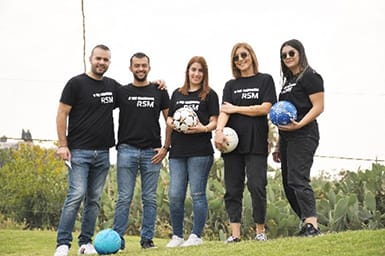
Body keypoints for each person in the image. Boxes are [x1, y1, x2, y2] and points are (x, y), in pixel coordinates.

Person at [54, 44, 121, 256]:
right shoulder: (76, 84)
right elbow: (61, 113)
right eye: (98, 58)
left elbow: (133, 92)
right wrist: (62, 144)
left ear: (109, 62)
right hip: (79, 152)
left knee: (94, 200)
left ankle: (85, 243)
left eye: (106, 60)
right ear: (90, 58)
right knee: (76, 195)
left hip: (102, 154)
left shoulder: (113, 86)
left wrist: (157, 84)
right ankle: (63, 244)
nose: (102, 63)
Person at [214, 42, 277, 243]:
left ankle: (260, 231)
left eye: (243, 55)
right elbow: (224, 111)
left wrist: (236, 109)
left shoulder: (265, 80)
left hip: (256, 142)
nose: (240, 60)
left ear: (251, 55)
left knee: (257, 186)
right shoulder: (230, 85)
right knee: (233, 189)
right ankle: (235, 235)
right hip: (231, 144)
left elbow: (265, 108)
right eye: (236, 57)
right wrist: (218, 132)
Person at [112, 52, 171, 250]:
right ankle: (117, 241)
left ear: (149, 67)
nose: (140, 69)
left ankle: (147, 240)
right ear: (131, 68)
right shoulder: (121, 92)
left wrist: (166, 147)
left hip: (151, 152)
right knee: (124, 198)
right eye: (136, 66)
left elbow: (169, 121)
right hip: (126, 151)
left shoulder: (159, 91)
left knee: (150, 198)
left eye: (144, 65)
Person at [165, 56, 219, 247]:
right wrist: (172, 123)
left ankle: (196, 235)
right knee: (175, 194)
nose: (196, 74)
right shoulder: (177, 94)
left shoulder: (209, 95)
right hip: (178, 152)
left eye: (200, 71)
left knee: (197, 193)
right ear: (187, 71)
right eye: (193, 70)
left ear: (204, 74)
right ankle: (177, 236)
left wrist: (203, 128)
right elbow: (170, 119)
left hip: (200, 151)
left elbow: (215, 121)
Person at [272, 39, 324, 236]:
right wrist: (278, 144)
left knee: (298, 178)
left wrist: (301, 123)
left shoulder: (310, 76)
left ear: (300, 53)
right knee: (287, 182)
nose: (287, 57)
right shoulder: (287, 82)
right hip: (287, 138)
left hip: (304, 134)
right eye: (284, 55)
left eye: (291, 53)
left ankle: (313, 224)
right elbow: (281, 114)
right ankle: (306, 223)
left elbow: (319, 106)